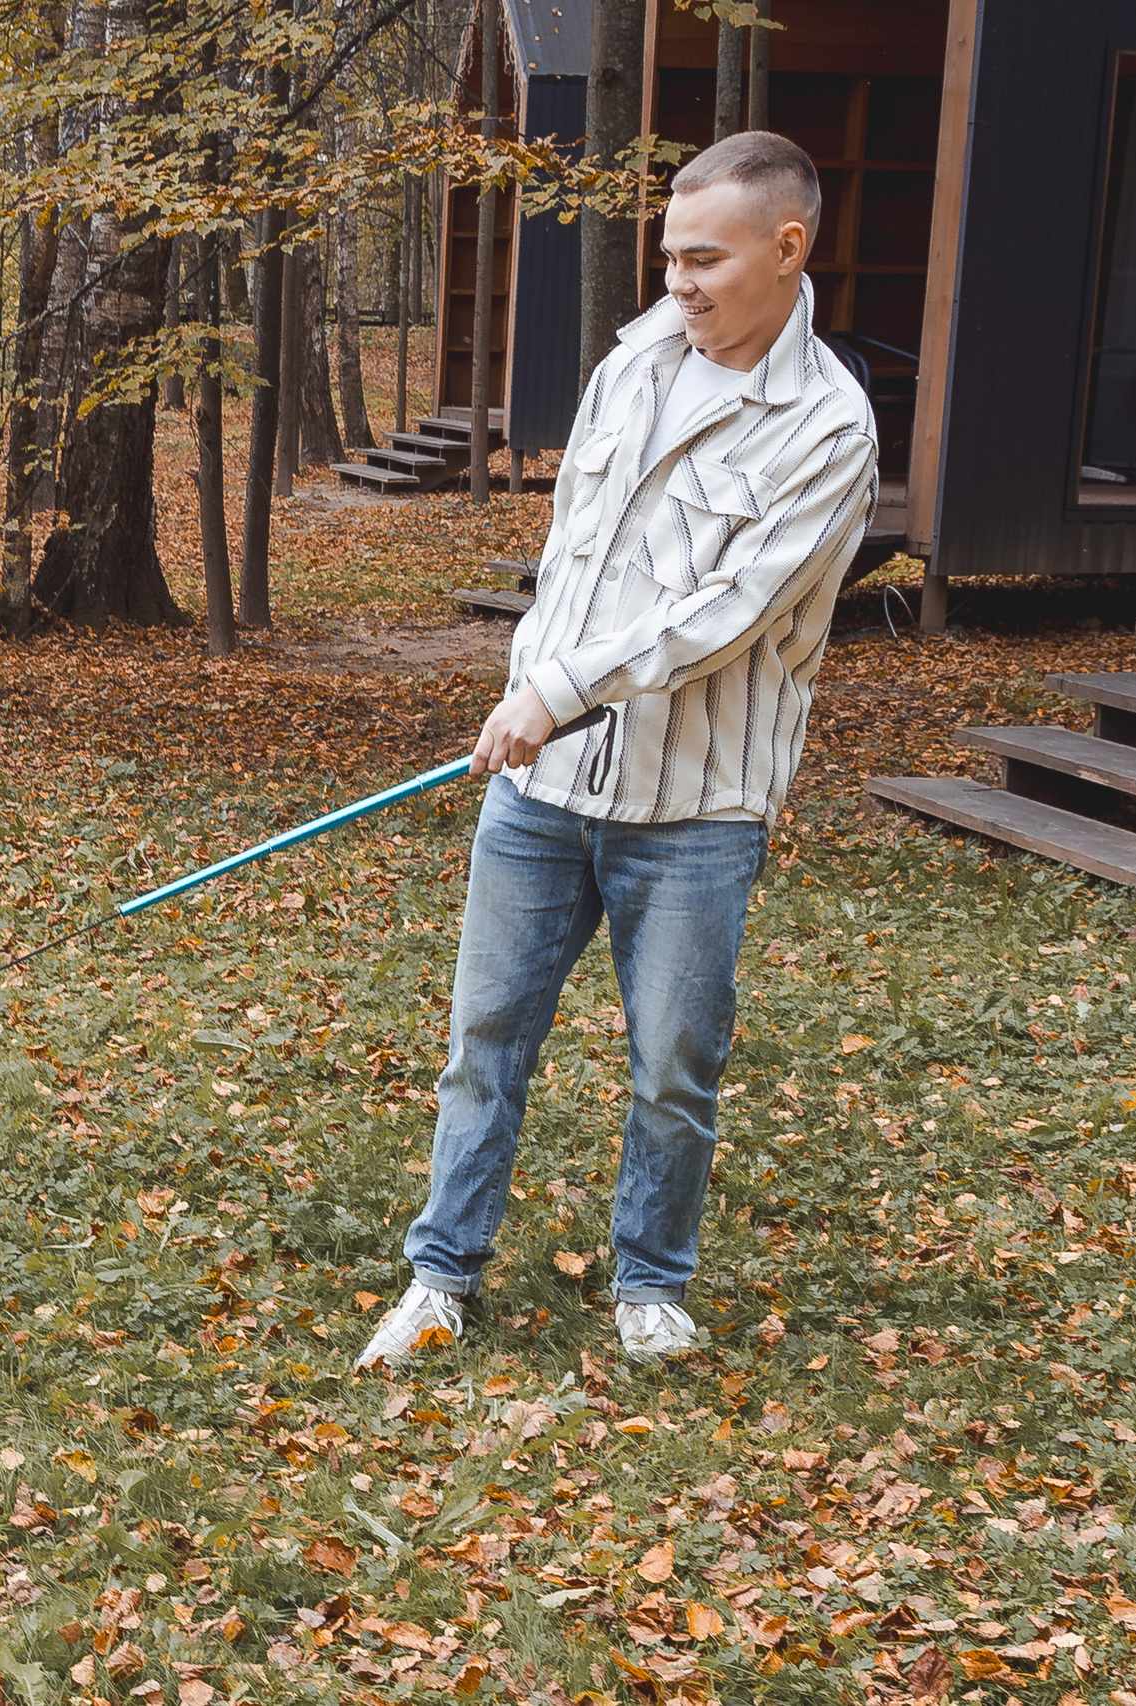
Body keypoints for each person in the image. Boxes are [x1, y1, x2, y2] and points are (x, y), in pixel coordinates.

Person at [356, 131, 879, 1370]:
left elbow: (726, 615)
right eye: (668, 257)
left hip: (697, 804)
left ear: (787, 249)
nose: (679, 283)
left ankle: (649, 1282)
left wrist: (559, 684)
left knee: (672, 1070)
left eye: (705, 258)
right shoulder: (634, 358)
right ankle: (439, 1275)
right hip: (542, 791)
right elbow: (576, 553)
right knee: (483, 1043)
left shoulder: (827, 427)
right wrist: (534, 686)